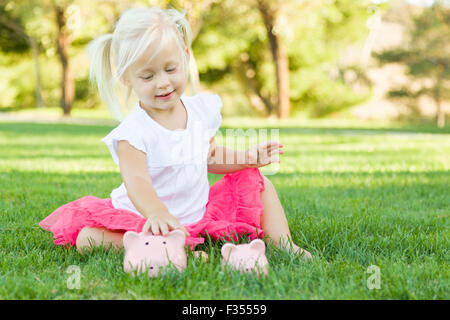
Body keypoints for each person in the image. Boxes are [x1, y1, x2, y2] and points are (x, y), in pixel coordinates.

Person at [39, 7, 312, 260]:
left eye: (170, 69)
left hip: (197, 213)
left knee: (256, 180)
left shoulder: (198, 112)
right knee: (89, 237)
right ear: (126, 78)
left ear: (185, 57)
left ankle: (283, 244)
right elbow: (136, 180)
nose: (163, 82)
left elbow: (210, 155)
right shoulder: (133, 132)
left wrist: (248, 157)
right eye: (147, 77)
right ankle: (170, 249)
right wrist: (157, 213)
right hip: (146, 215)